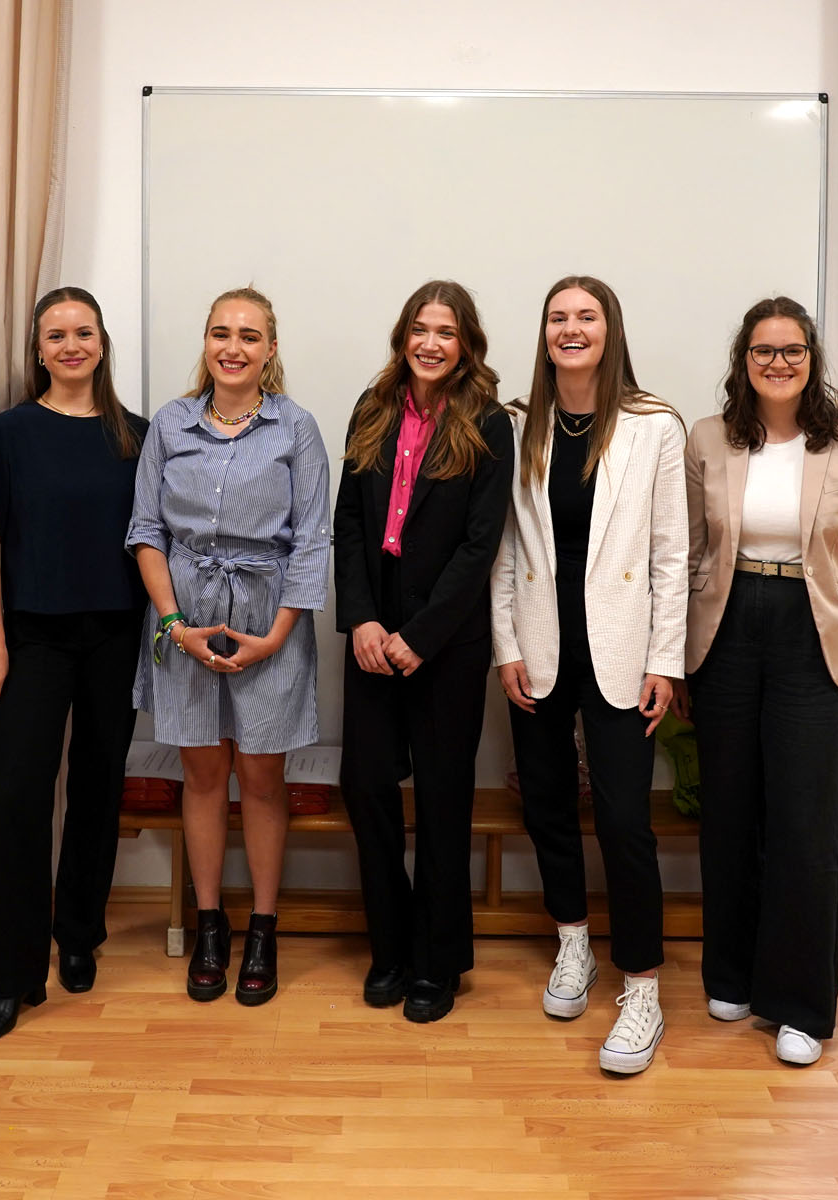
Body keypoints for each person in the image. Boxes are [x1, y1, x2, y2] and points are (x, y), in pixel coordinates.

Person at [675, 295, 838, 1066]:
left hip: (815, 631)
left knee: (804, 823)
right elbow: (691, 555)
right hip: (726, 630)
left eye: (792, 350)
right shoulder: (709, 438)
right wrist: (680, 657)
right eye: (763, 351)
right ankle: (730, 973)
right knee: (728, 809)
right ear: (744, 361)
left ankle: (800, 1005)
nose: (778, 363)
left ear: (812, 358)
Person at [490, 275, 686, 1074]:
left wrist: (664, 662)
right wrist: (505, 646)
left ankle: (642, 985)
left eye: (587, 317)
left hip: (621, 652)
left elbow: (673, 555)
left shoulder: (654, 426)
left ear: (610, 331)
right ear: (543, 334)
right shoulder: (519, 426)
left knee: (625, 824)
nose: (572, 329)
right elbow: (504, 547)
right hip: (539, 649)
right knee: (545, 808)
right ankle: (573, 944)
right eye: (559, 318)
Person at [129, 285, 331, 1008]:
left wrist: (273, 639)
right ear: (206, 342)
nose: (234, 347)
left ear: (271, 350)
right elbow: (146, 531)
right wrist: (174, 623)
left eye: (250, 335)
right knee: (204, 777)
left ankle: (264, 930)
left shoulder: (296, 428)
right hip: (184, 619)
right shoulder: (171, 424)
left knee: (263, 780)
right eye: (222, 332)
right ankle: (211, 925)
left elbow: (312, 541)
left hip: (268, 619)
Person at [0, 286, 150, 1042]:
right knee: (19, 799)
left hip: (116, 634)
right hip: (31, 637)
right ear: (38, 349)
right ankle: (10, 977)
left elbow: (153, 539)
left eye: (84, 332)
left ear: (102, 342)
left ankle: (79, 933)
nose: (72, 345)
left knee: (99, 791)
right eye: (56, 335)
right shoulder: (11, 433)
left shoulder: (137, 435)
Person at [333, 280, 513, 1023]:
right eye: (419, 328)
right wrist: (365, 622)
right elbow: (347, 526)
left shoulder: (490, 424)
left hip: (446, 645)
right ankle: (392, 946)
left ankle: (438, 963)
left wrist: (421, 636)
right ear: (402, 337)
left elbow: (481, 546)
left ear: (466, 343)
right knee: (366, 788)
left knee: (443, 802)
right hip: (374, 636)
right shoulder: (372, 410)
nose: (430, 343)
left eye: (446, 331)